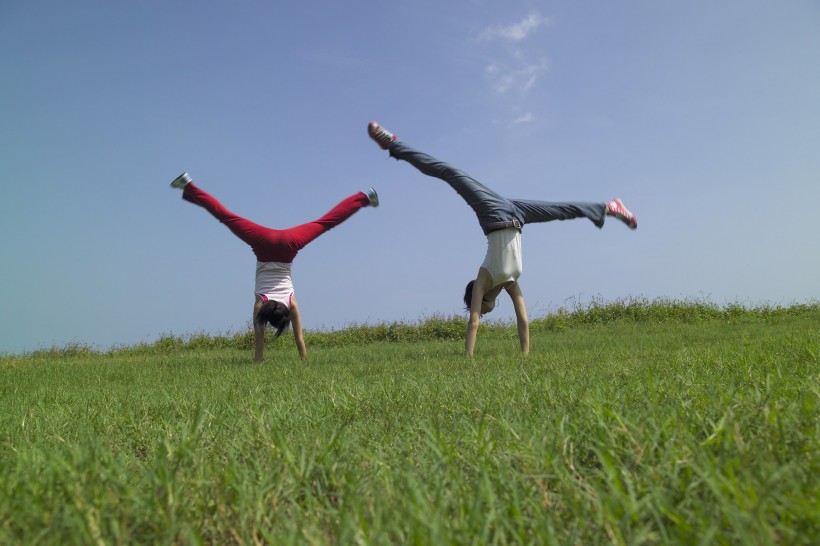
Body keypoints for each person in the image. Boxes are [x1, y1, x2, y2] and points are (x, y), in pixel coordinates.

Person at [367, 121, 637, 356]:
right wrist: (525, 357)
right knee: (560, 210)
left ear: (481, 300)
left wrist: (468, 360)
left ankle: (395, 145)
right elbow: (523, 320)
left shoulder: (484, 278)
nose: (486, 312)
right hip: (517, 214)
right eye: (485, 312)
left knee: (450, 173)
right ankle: (608, 208)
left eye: (484, 310)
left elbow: (473, 322)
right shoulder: (510, 282)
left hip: (493, 212)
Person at [170, 172, 379, 362]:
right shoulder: (260, 306)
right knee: (227, 217)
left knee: (325, 223)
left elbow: (299, 338)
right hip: (264, 245)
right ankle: (188, 185)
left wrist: (304, 361)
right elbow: (259, 345)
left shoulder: (291, 304)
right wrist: (259, 362)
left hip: (288, 245)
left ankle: (365, 196)